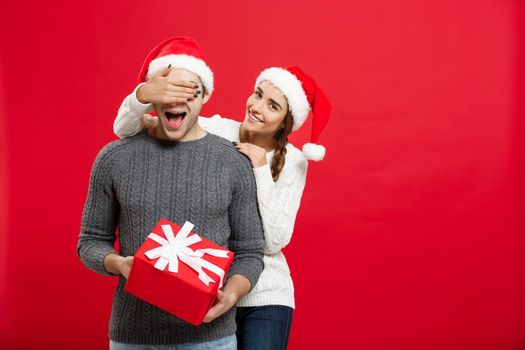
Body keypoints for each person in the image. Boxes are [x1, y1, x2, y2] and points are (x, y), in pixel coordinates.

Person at [113, 52, 332, 350]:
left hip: (264, 296)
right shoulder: (216, 130)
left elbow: (274, 242)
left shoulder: (293, 161)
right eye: (257, 94)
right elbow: (125, 131)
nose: (256, 107)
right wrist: (141, 96)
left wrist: (259, 171)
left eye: (273, 106)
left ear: (286, 123)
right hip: (205, 286)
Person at [77, 37, 265, 350]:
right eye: (168, 89)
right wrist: (120, 264)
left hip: (211, 339)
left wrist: (232, 292)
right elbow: (90, 242)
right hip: (134, 338)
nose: (177, 100)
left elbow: (249, 251)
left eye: (189, 90)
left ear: (205, 95)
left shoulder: (232, 161)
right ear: (152, 95)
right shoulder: (114, 158)